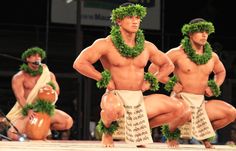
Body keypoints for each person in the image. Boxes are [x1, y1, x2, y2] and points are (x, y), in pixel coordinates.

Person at [73, 2, 184, 147]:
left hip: (138, 97)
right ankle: (107, 133)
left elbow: (168, 65)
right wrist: (101, 77)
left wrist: (151, 81)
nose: (135, 21)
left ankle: (139, 129)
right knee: (112, 109)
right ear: (119, 20)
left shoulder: (146, 46)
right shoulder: (105, 44)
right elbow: (79, 63)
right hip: (115, 95)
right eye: (130, 17)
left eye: (138, 18)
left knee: (178, 108)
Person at [149, 18, 236, 148]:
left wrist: (214, 85)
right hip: (180, 100)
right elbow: (153, 70)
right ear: (190, 33)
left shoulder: (212, 56)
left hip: (201, 102)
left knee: (231, 112)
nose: (204, 35)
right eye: (200, 31)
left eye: (206, 32)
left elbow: (221, 72)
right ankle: (171, 134)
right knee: (185, 110)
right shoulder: (177, 53)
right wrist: (171, 83)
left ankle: (204, 135)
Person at [6, 47, 73, 141]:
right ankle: (31, 135)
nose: (37, 58)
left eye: (39, 56)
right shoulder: (19, 77)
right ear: (27, 59)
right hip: (27, 111)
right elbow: (20, 97)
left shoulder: (48, 74)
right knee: (12, 134)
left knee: (67, 122)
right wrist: (28, 110)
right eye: (34, 56)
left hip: (44, 110)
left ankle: (43, 127)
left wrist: (51, 89)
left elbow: (57, 91)